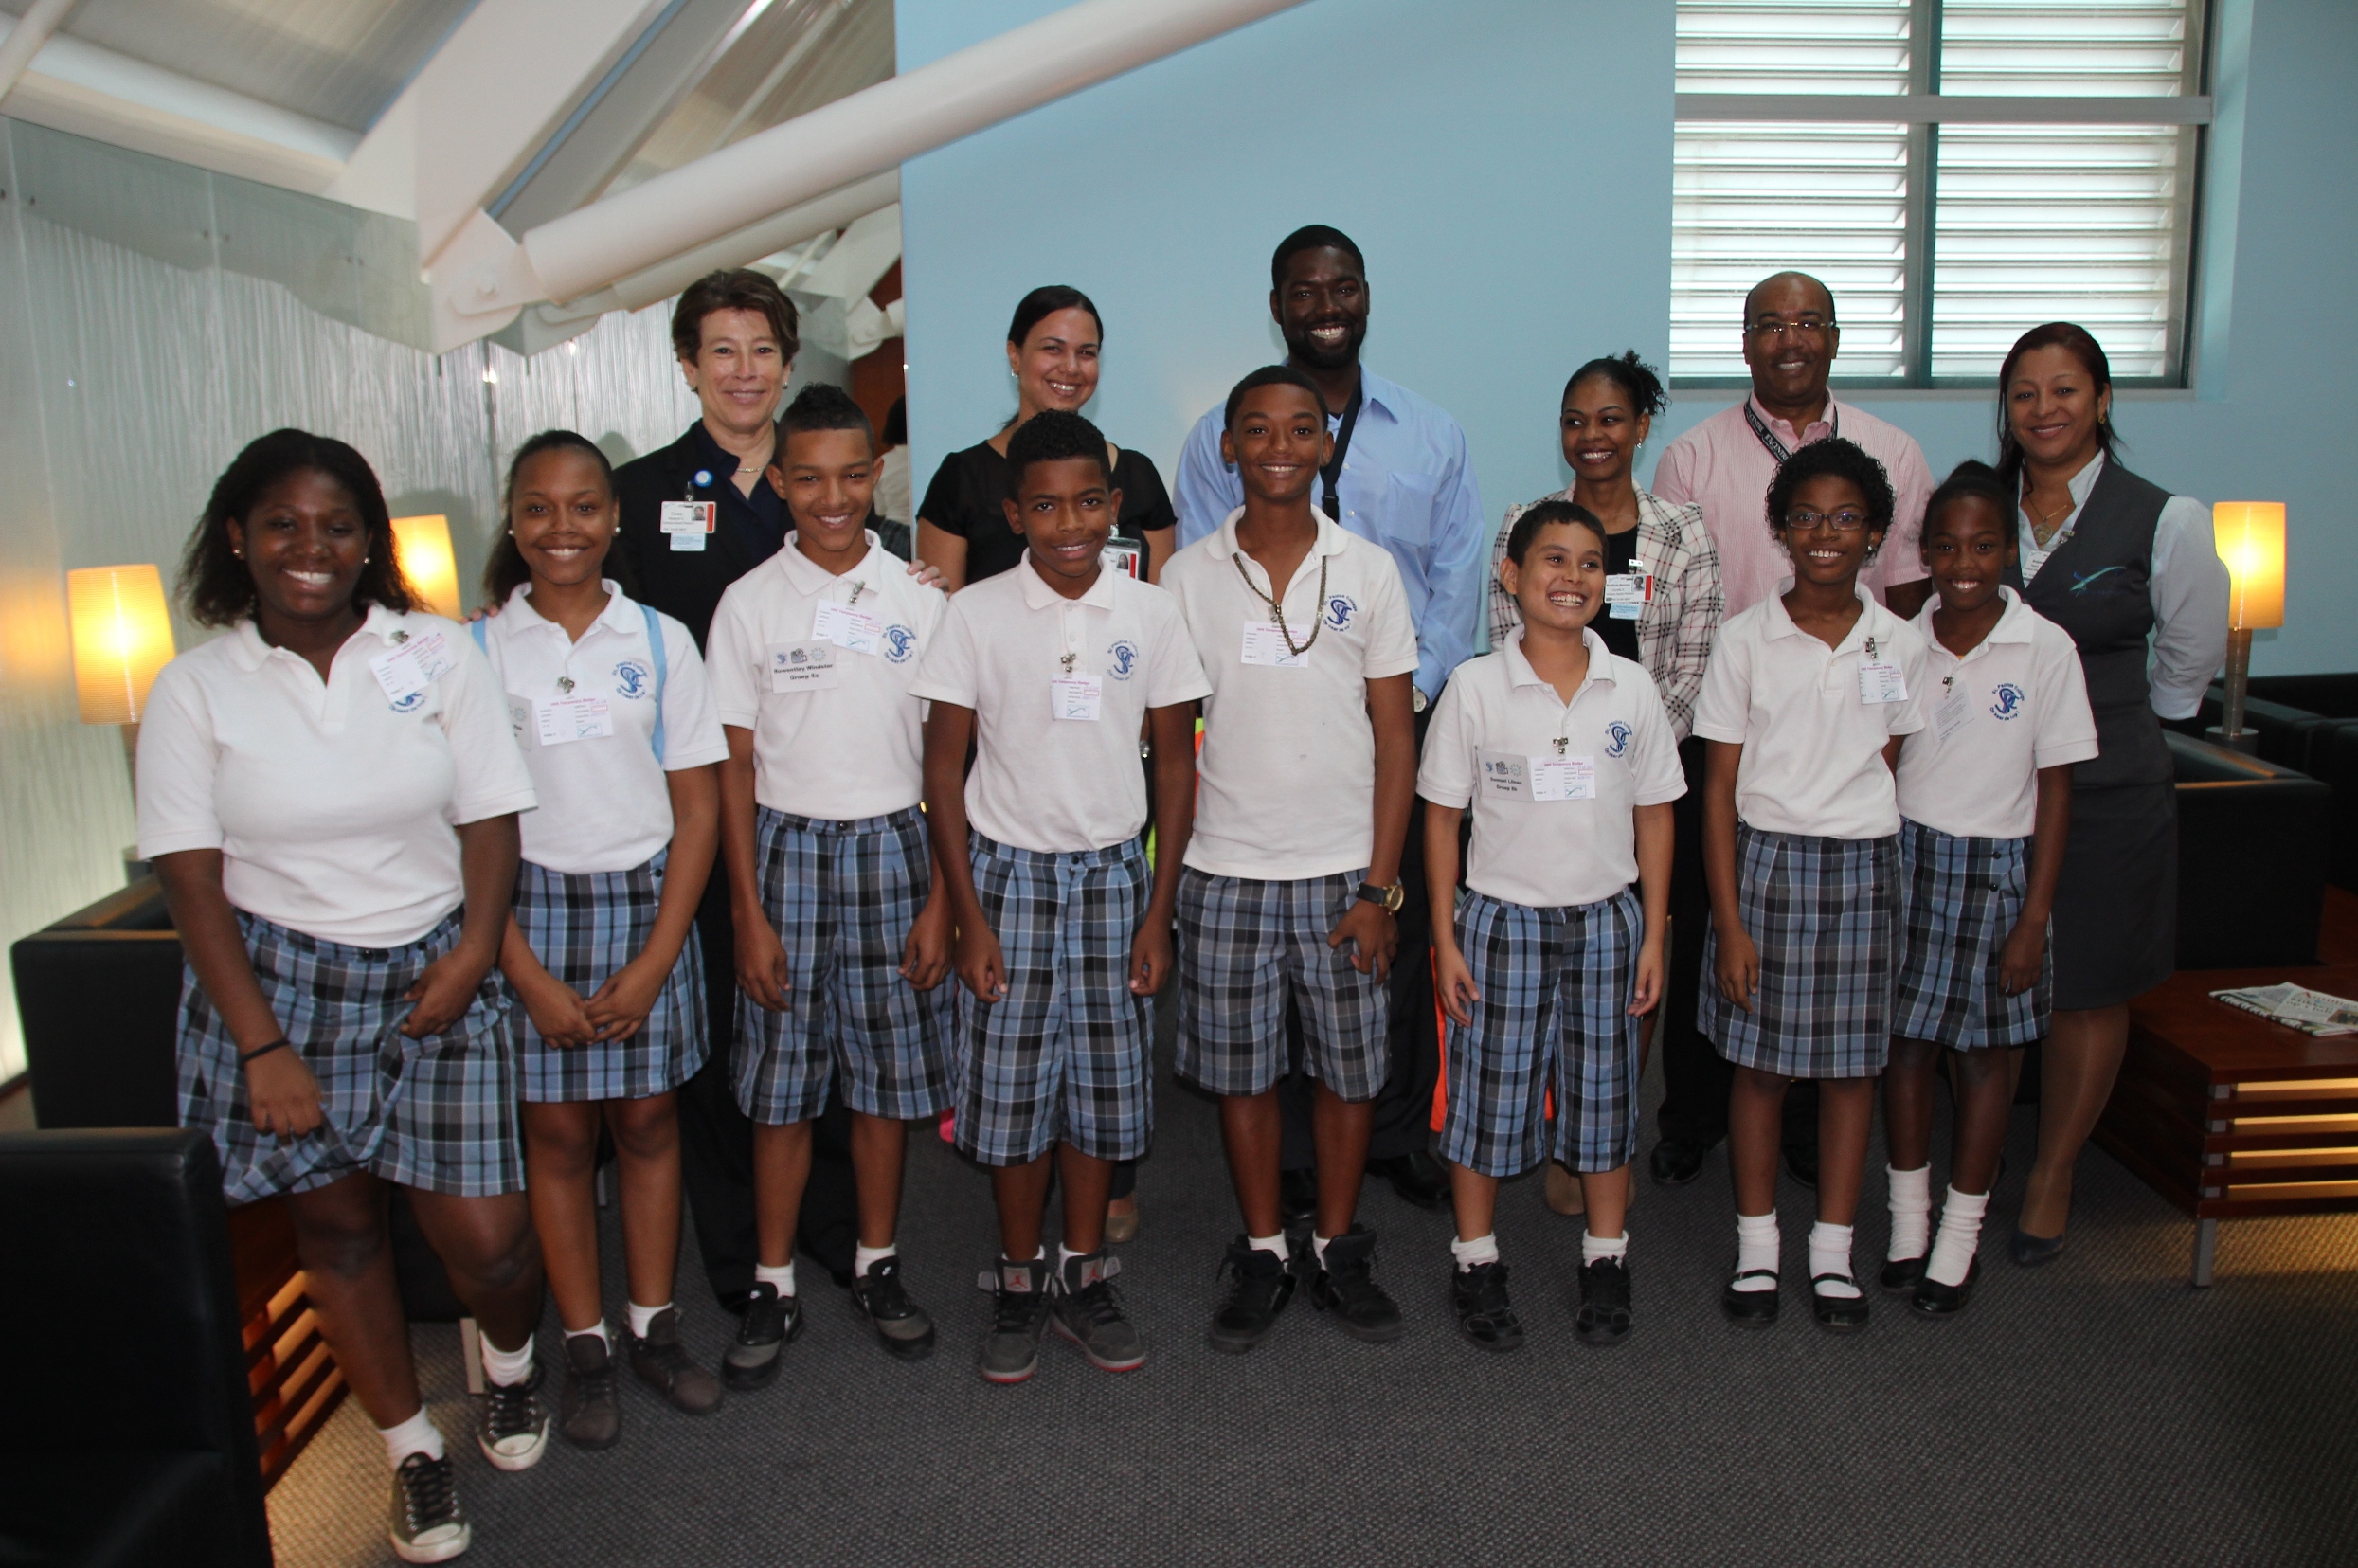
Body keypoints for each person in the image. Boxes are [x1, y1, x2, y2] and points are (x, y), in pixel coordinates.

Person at [139, 430, 543, 1564]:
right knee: (336, 1225)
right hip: (274, 983)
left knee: (493, 1239)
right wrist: (261, 1045)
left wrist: (473, 951)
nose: (310, 548)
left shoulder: (437, 654)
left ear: (370, 542)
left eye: (336, 526)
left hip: (432, 961)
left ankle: (508, 1362)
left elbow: (492, 814)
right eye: (283, 524)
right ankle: (410, 1442)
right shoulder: (196, 686)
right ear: (238, 536)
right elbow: (190, 881)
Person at [607, 270, 919, 1309]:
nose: (743, 371)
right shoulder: (645, 492)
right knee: (729, 1034)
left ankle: (839, 1232)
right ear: (688, 364)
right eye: (720, 351)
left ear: (788, 363)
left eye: (761, 351)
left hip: (834, 795)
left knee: (842, 1033)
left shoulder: (825, 493)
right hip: (707, 804)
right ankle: (745, 1254)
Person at [1176, 225, 1484, 1215]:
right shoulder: (1211, 443)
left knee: (1378, 960)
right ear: (1277, 303)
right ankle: (1291, 1176)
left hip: (1401, 707)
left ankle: (1387, 1138)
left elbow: (1455, 576)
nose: (1323, 306)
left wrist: (1400, 687)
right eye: (1302, 292)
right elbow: (1199, 595)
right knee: (1273, 996)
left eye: (1341, 287)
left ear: (1364, 295)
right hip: (1259, 746)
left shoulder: (1430, 431)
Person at [911, 409, 1209, 1384]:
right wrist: (963, 912)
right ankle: (1015, 1273)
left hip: (1117, 877)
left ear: (1116, 508)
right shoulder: (975, 614)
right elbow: (942, 771)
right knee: (1008, 1095)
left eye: (1087, 500)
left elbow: (1174, 766)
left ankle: (1082, 1268)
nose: (1067, 521)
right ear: (1013, 513)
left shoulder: (1151, 613)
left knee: (1102, 1090)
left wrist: (1157, 908)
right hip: (1006, 877)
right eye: (1043, 504)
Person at [1649, 269, 1936, 1191]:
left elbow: (1902, 603)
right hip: (1720, 724)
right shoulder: (1691, 457)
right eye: (1768, 323)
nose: (1788, 338)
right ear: (1742, 342)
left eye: (1807, 321)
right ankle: (1692, 1112)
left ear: (1834, 338)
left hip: (1842, 728)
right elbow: (1669, 603)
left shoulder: (1891, 449)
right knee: (1706, 923)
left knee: (1827, 968)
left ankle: (1808, 1136)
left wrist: (1861, 745)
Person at [473, 430, 729, 1448]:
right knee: (558, 1135)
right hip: (524, 911)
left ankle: (652, 1325)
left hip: (646, 904)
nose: (562, 526)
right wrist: (521, 970)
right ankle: (581, 1341)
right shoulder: (477, 649)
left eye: (583, 505)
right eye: (538, 506)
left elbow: (699, 810)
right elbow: (468, 827)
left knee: (649, 1121)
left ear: (614, 517)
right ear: (512, 519)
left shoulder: (661, 639)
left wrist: (661, 953)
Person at [1161, 366, 1419, 1353]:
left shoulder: (1368, 571)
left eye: (1299, 428)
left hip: (1341, 874)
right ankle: (1265, 1245)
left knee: (1350, 1076)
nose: (1278, 444)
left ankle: (1339, 1244)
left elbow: (1396, 738)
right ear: (1226, 446)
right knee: (1243, 1077)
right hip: (1224, 872)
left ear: (1323, 444)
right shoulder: (1187, 578)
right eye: (1256, 429)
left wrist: (1378, 884)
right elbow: (1170, 745)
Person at [702, 386, 955, 1387]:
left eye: (853, 475)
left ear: (875, 476)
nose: (833, 496)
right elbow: (729, 769)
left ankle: (876, 1260)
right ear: (779, 481)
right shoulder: (748, 604)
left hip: (897, 849)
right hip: (785, 855)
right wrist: (745, 908)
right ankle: (772, 1278)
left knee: (885, 1088)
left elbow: (949, 765)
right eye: (807, 477)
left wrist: (942, 894)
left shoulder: (920, 598)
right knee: (778, 1090)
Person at [1993, 322, 2227, 1263]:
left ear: (2098, 400)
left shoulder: (2164, 517)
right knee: (1991, 978)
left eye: (2062, 390)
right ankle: (1976, 1161)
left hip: (2106, 785)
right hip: (1988, 784)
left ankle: (2051, 1170)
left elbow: (2185, 665)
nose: (2043, 411)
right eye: (2023, 394)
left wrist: (2118, 719)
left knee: (2085, 982)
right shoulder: (1978, 504)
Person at [1425, 500, 1683, 1350]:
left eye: (1585, 563)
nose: (1568, 577)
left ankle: (1605, 1255)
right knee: (1486, 1096)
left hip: (1609, 922)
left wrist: (1652, 931)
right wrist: (1446, 934)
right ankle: (1475, 1256)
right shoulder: (1473, 686)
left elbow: (1654, 815)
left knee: (1607, 1095)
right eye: (1550, 560)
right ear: (1512, 577)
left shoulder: (1632, 687)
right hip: (1500, 922)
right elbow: (1438, 820)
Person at [1693, 437, 1929, 1333]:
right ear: (1779, 530)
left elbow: (1890, 755)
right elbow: (1718, 786)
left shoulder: (1898, 643)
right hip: (1764, 867)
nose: (1823, 534)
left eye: (1844, 519)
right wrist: (1729, 916)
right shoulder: (1744, 638)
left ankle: (1830, 1250)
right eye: (1804, 517)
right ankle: (1759, 1246)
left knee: (1848, 1073)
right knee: (1756, 1068)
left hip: (1864, 869)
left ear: (1874, 534)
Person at [1486, 351, 1722, 1214]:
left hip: (1645, 779)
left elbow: (1694, 664)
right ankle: (1551, 1128)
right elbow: (1504, 652)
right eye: (1575, 420)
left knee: (1629, 964)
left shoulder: (1683, 532)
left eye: (1610, 419)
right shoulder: (1523, 523)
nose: (1591, 436)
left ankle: (1599, 1134)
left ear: (1640, 426)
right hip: (1540, 784)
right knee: (1543, 961)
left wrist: (1623, 759)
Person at [1883, 460, 2097, 1315]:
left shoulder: (2043, 647)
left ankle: (1960, 1231)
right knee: (1903, 1049)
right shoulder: (1901, 639)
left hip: (2000, 870)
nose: (1961, 562)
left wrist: (2032, 919)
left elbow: (2056, 788)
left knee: (1983, 1058)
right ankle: (1906, 1218)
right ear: (1924, 552)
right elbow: (1881, 752)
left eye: (1981, 545)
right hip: (1905, 858)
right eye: (1944, 545)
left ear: (2008, 550)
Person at [917, 285, 1179, 590]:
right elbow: (946, 618)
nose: (1070, 367)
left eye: (1086, 353)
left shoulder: (1138, 476)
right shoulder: (963, 479)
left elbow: (1159, 607)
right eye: (1053, 349)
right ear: (1015, 356)